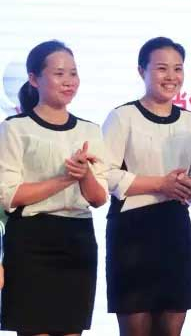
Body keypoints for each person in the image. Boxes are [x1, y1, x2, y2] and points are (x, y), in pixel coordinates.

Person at [102, 37, 191, 336]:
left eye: (178, 68)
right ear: (142, 71)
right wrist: (161, 184)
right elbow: (105, 174)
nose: (171, 76)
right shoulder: (122, 117)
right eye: (162, 68)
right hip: (131, 230)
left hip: (175, 227)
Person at [0, 40, 108, 335]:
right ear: (34, 79)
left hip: (77, 239)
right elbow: (9, 196)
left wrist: (84, 175)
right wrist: (65, 179)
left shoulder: (89, 130)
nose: (69, 81)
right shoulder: (14, 128)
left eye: (73, 73)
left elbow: (99, 198)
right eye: (59, 74)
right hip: (31, 240)